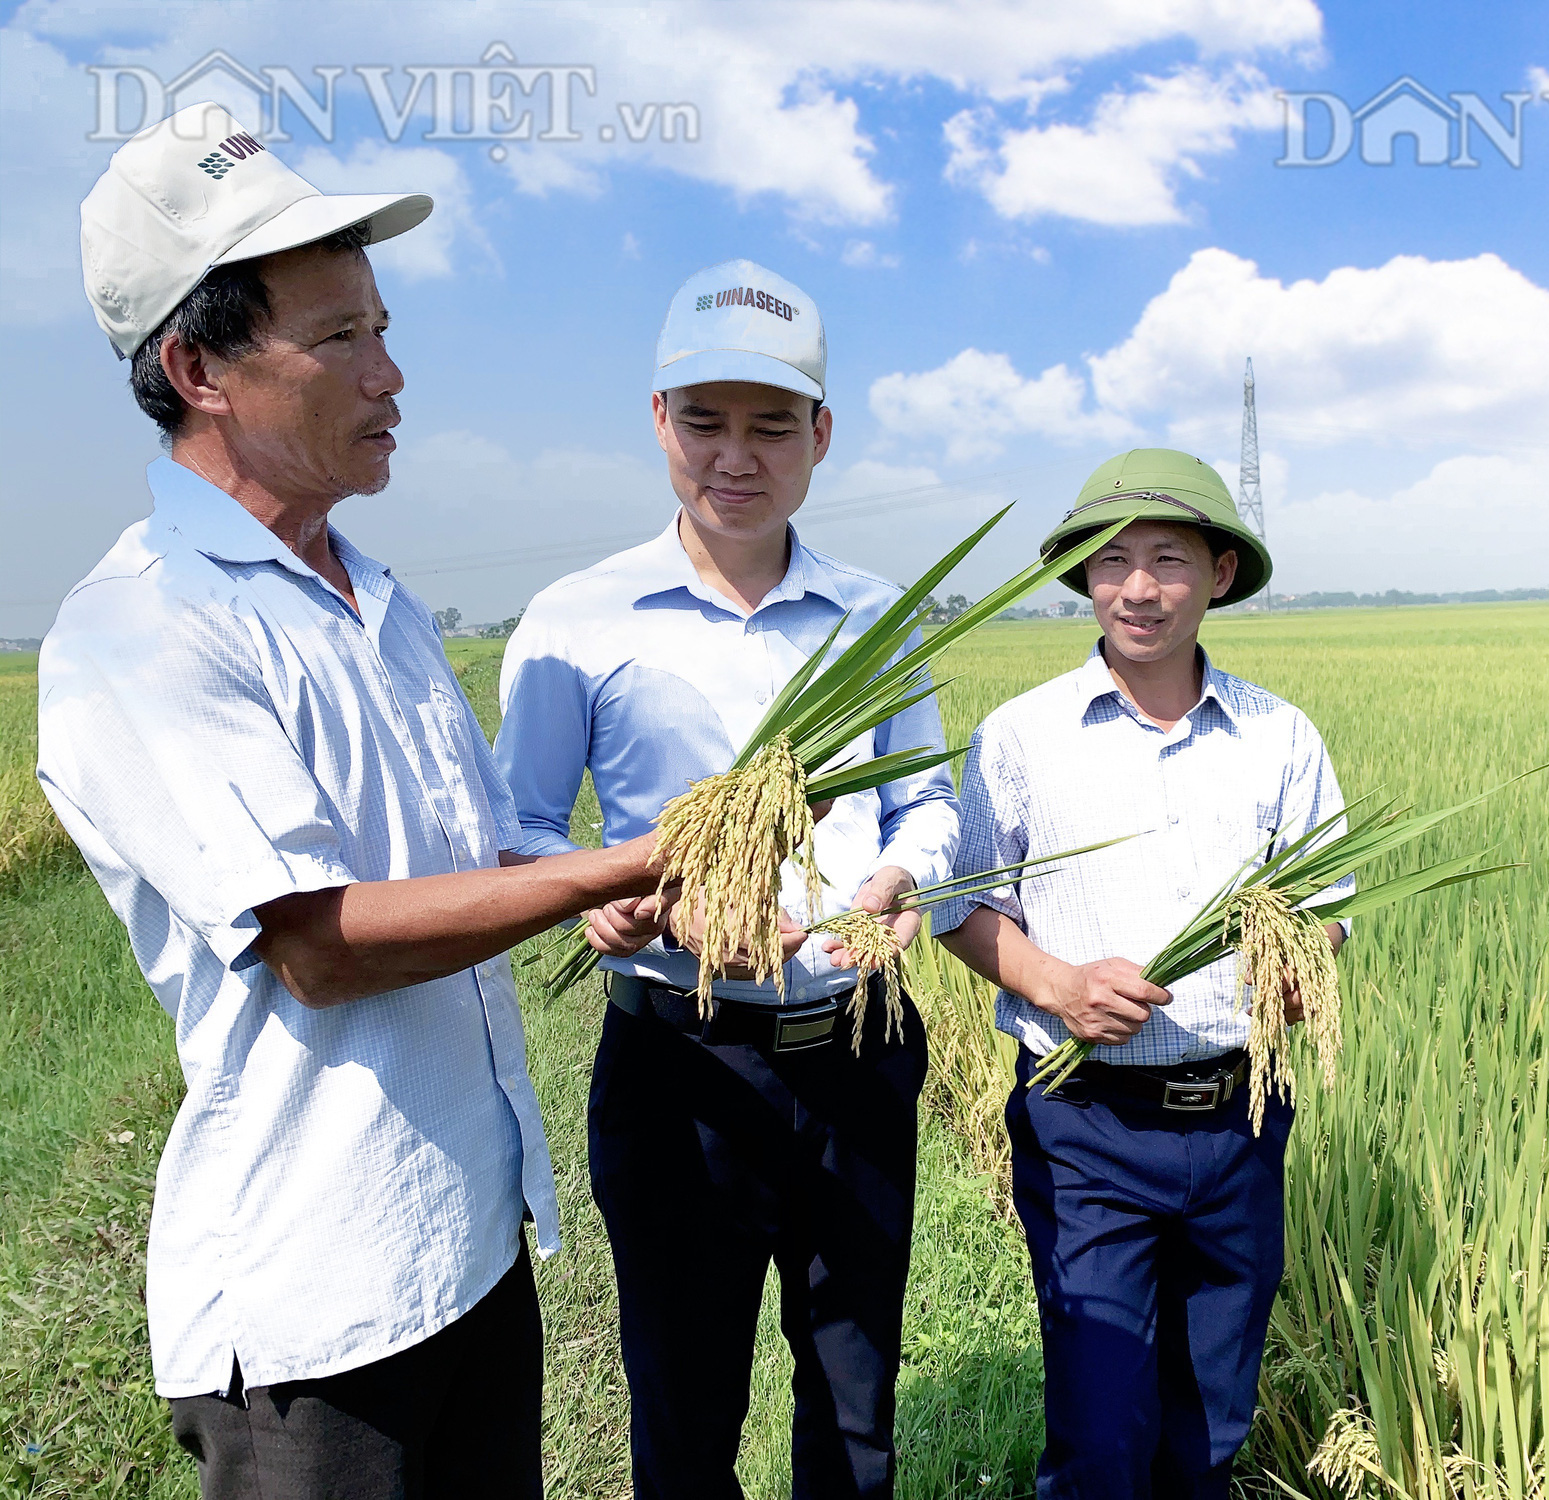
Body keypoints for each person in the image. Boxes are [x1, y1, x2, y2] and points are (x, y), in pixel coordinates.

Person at [40, 103, 678, 1498]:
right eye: (340, 340)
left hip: (465, 1246)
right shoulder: (146, 631)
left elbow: (480, 847)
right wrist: (602, 868)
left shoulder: (374, 601)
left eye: (382, 329)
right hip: (315, 1317)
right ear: (196, 366)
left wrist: (607, 883)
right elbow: (322, 943)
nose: (392, 376)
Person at [493, 259, 958, 1499]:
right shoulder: (577, 620)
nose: (733, 457)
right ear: (658, 425)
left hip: (855, 1048)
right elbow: (522, 829)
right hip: (676, 1060)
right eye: (703, 421)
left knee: (854, 1403)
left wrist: (902, 881)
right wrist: (602, 897)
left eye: (769, 426)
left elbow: (928, 797)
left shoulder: (876, 616)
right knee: (683, 1407)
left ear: (820, 436)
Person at [935, 449, 1353, 1499]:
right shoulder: (1021, 735)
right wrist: (1053, 983)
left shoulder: (1278, 735)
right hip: (1087, 1125)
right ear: (1080, 577)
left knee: (1209, 1426)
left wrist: (1301, 972)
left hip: (1239, 1121)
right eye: (1110, 560)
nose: (1137, 586)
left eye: (1167, 559)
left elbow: (1323, 917)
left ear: (1217, 574)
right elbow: (961, 908)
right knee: (1098, 1424)